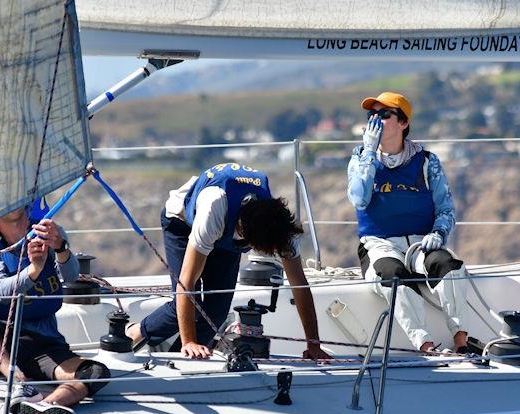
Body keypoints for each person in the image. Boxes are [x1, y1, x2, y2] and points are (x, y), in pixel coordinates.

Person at [126, 162, 330, 360]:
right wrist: (190, 341)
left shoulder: (281, 228)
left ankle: (177, 356)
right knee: (192, 301)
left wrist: (313, 345)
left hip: (228, 235)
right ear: (242, 233)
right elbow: (186, 284)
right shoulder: (214, 209)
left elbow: (300, 286)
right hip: (182, 222)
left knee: (217, 311)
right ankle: (136, 332)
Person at [347, 92, 470, 353]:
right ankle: (425, 344)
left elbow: (446, 207)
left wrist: (439, 232)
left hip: (420, 244)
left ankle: (461, 339)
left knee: (449, 266)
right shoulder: (359, 158)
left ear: (403, 123)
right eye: (371, 115)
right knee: (391, 276)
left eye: (384, 115)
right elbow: (359, 198)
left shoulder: (427, 162)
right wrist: (370, 152)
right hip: (379, 245)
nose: (375, 120)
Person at [0, 205, 110, 414]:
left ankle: (44, 406)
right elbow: (3, 292)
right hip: (1, 342)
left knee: (95, 372)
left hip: (43, 344)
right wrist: (35, 269)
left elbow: (71, 276)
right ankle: (18, 382)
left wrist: (61, 248)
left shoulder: (48, 230)